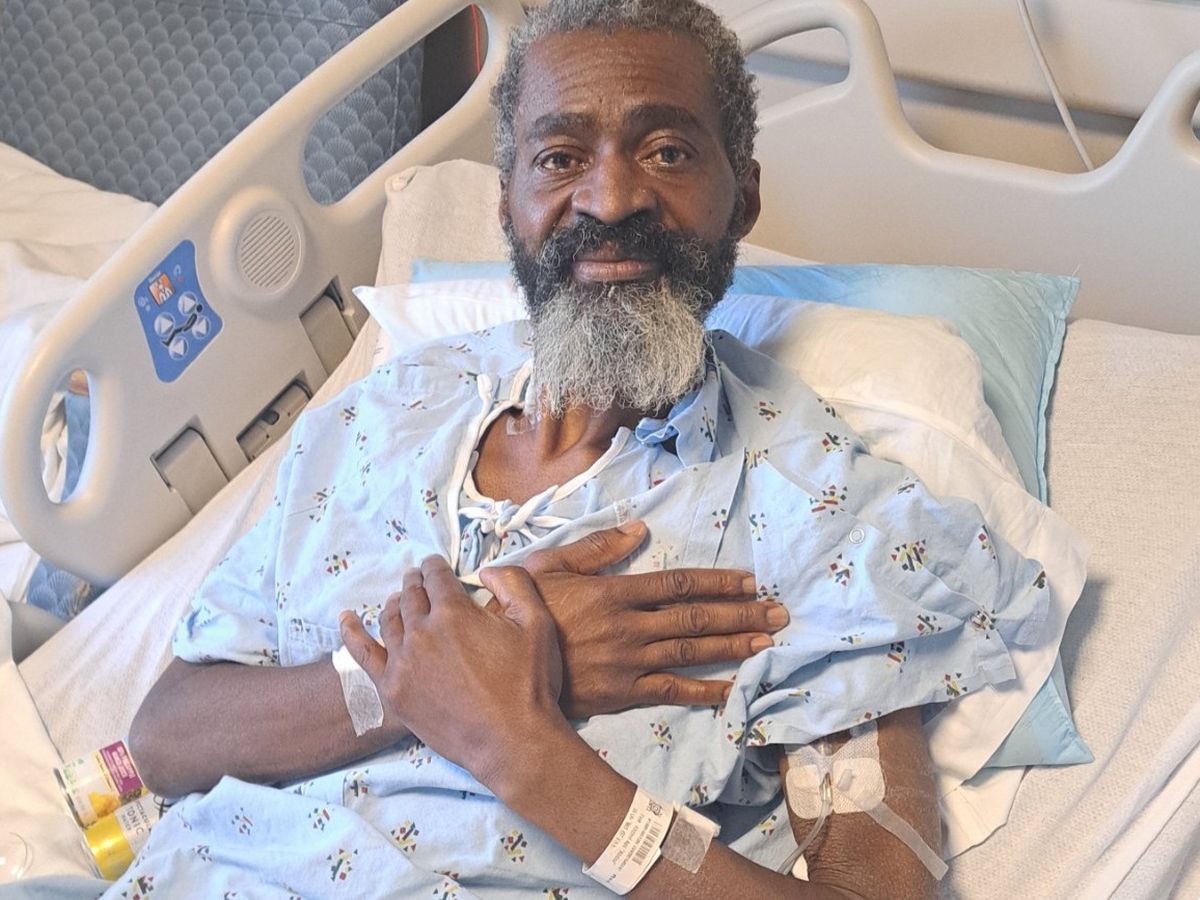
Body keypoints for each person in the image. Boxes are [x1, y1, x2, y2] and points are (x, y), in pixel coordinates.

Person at [116, 1, 1050, 897]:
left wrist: (521, 746)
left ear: (744, 194)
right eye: (560, 157)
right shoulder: (387, 414)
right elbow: (166, 737)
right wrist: (432, 674)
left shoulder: (818, 515)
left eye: (667, 150)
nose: (609, 199)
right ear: (508, 202)